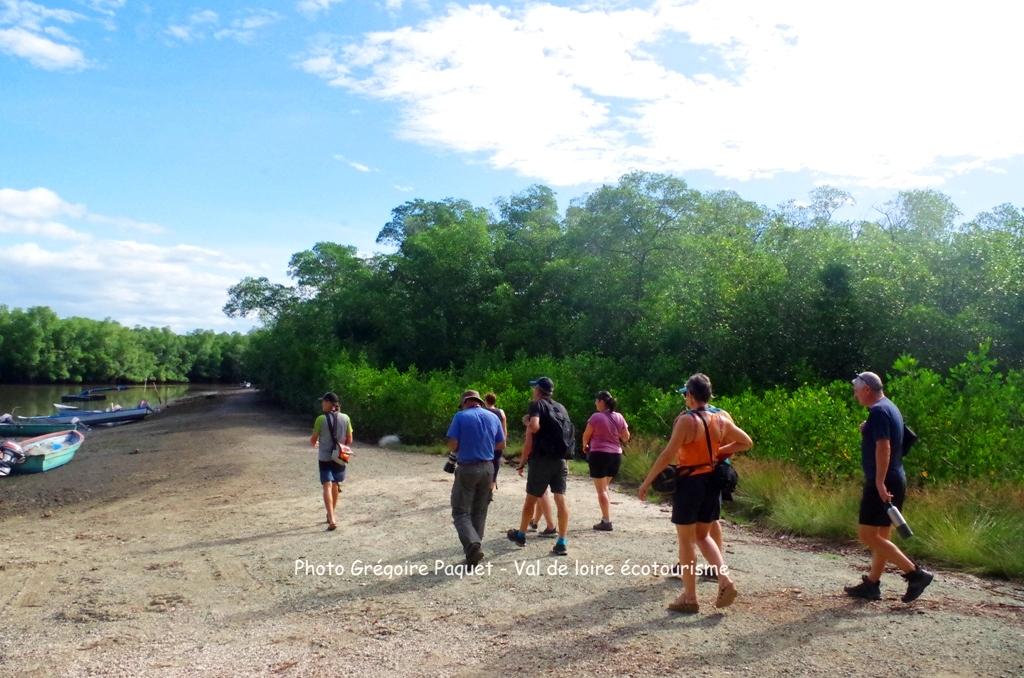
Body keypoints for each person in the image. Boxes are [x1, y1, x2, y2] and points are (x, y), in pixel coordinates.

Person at [639, 373, 753, 614]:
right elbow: (746, 442)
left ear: (690, 395)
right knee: (703, 535)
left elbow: (668, 454)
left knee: (686, 540)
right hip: (712, 480)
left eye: (686, 395)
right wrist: (719, 452)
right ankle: (725, 579)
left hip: (690, 481)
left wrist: (647, 481)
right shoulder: (720, 418)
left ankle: (690, 597)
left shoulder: (686, 420)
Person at [844, 372, 934, 602]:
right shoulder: (888, 407)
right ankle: (872, 585)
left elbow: (884, 447)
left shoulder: (879, 411)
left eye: (856, 390)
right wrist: (869, 429)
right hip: (896, 477)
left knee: (867, 535)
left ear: (866, 390)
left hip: (883, 481)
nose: (855, 395)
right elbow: (898, 438)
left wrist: (879, 482)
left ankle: (915, 574)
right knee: (882, 536)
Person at [507, 377, 573, 556]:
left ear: (538, 390)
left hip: (541, 460)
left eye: (534, 388)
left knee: (531, 498)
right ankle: (562, 541)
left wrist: (527, 422)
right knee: (560, 498)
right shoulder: (561, 408)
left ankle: (521, 535)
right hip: (560, 460)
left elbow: (534, 428)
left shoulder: (536, 405)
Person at [447, 390, 506, 566]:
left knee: (460, 511)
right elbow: (501, 444)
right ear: (479, 401)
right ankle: (474, 551)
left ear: (465, 402)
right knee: (480, 510)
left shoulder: (460, 416)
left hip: (467, 468)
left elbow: (453, 444)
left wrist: (462, 447)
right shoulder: (493, 417)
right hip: (488, 468)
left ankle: (472, 544)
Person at [582, 390, 630, 531]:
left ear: (602, 402)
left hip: (599, 454)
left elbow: (586, 435)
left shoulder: (596, 417)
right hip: (615, 456)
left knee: (601, 489)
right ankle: (606, 516)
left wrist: (585, 446)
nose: (595, 403)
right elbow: (626, 437)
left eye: (597, 401)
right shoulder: (619, 417)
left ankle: (606, 520)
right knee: (605, 487)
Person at [310, 392, 353, 531]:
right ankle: (331, 515)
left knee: (327, 485)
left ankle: (332, 517)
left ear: (329, 403)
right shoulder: (346, 418)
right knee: (335, 484)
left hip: (324, 457)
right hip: (340, 456)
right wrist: (341, 446)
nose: (322, 404)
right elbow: (349, 440)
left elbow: (313, 440)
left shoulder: (320, 419)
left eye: (323, 401)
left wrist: (318, 442)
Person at [483, 393, 508, 491]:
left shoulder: (483, 412)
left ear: (485, 401)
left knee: (484, 464)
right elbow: (504, 428)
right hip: (497, 441)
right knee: (495, 463)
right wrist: (504, 441)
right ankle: (491, 488)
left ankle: (483, 488)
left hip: (486, 443)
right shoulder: (501, 412)